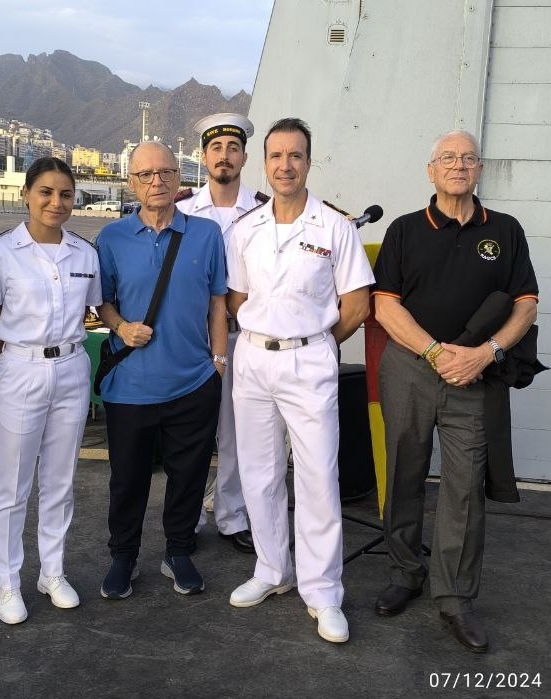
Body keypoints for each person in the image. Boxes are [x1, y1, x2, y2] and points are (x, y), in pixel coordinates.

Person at [371, 130, 538, 653]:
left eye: (467, 159)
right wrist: (435, 353)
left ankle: (455, 598)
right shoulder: (404, 230)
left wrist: (485, 353)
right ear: (432, 170)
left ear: (479, 169)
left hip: (476, 373)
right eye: (448, 158)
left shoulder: (505, 231)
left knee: (464, 486)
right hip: (411, 367)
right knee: (404, 471)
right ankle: (405, 572)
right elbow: (384, 305)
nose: (458, 166)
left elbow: (526, 304)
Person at [226, 118, 374, 643]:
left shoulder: (334, 227)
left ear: (309, 162)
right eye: (275, 156)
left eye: (295, 155)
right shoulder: (244, 229)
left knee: (316, 479)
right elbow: (238, 299)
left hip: (309, 362)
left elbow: (357, 303)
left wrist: (317, 342)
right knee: (260, 475)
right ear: (264, 163)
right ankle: (273, 571)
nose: (284, 165)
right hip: (253, 360)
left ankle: (323, 591)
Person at [96, 142, 227, 599]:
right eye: (147, 174)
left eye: (166, 172)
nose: (157, 182)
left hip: (193, 383)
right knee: (127, 479)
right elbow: (103, 301)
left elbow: (217, 302)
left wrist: (218, 362)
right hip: (130, 387)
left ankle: (179, 550)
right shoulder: (111, 238)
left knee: (188, 475)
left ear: (179, 178)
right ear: (132, 182)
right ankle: (123, 557)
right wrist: (120, 326)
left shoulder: (207, 234)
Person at [0, 157, 102, 625]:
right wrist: (15, 355)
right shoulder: (0, 252)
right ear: (27, 195)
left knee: (60, 479)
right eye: (46, 192)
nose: (56, 202)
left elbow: (94, 308)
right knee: (12, 484)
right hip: (21, 370)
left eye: (66, 194)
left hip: (71, 368)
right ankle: (9, 583)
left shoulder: (84, 253)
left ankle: (53, 572)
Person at [175, 112, 268, 555]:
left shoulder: (267, 210)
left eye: (233, 148)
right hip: (194, 337)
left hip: (245, 337)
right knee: (192, 431)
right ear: (203, 156)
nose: (224, 156)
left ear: (244, 157)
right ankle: (189, 517)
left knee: (238, 432)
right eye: (216, 148)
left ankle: (232, 516)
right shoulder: (182, 210)